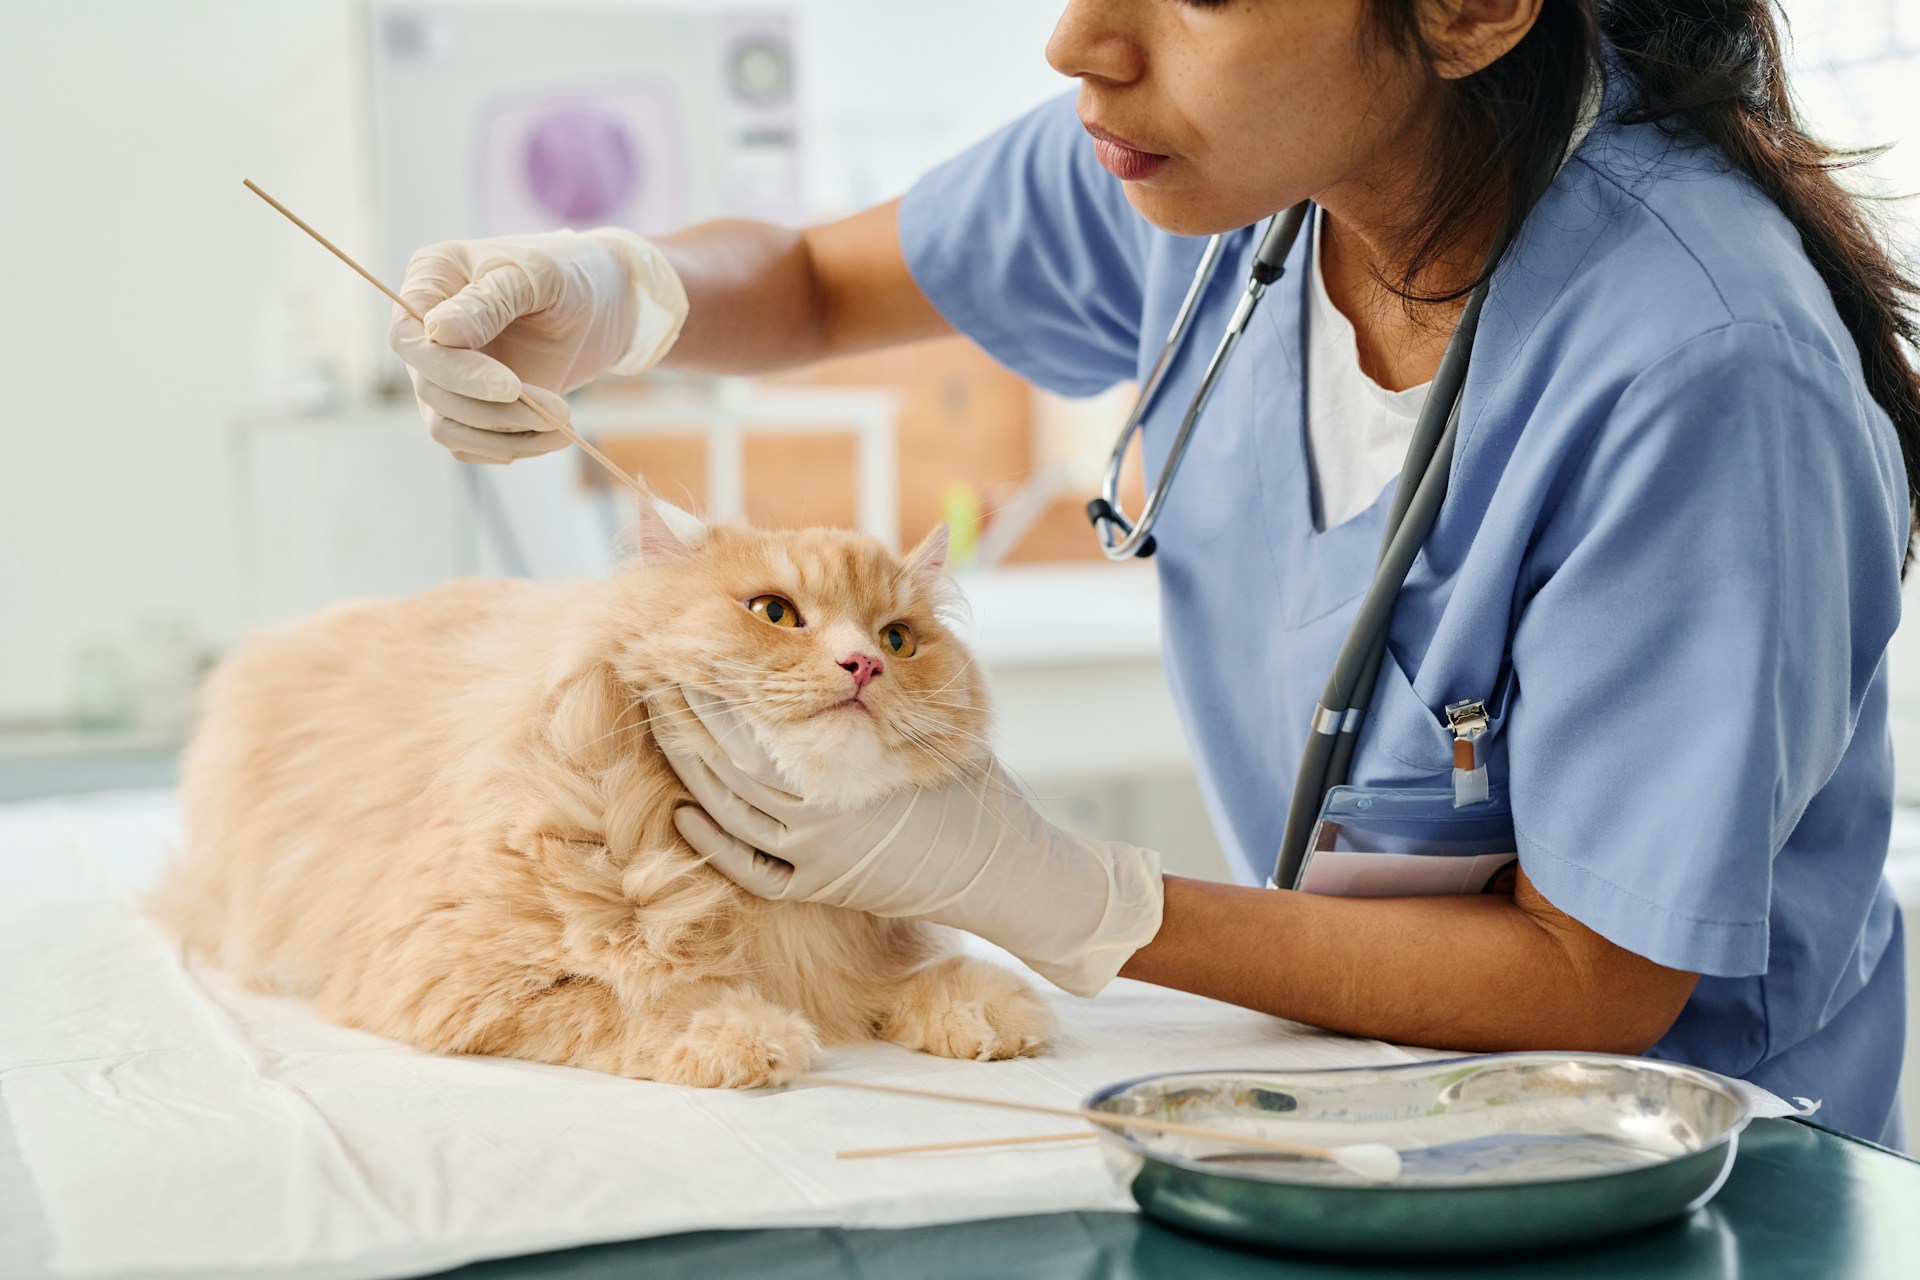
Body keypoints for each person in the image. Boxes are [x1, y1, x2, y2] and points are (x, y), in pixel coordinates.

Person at [387, 0, 1919, 1146]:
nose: (1077, 44)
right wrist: (615, 296)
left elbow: (1595, 981)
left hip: (1681, 1169)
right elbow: (796, 286)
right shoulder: (1217, 176)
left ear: (1466, 10)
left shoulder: (1703, 368)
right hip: (1369, 1118)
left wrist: (1060, 895)